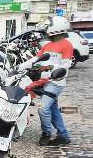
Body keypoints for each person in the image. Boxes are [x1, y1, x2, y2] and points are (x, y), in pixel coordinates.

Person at [20, 16, 72, 146]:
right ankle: (63, 135)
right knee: (52, 109)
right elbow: (35, 59)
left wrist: (50, 67)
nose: (45, 30)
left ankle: (46, 134)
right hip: (45, 82)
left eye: (47, 27)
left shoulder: (66, 44)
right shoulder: (47, 45)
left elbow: (66, 65)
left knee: (43, 109)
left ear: (56, 28)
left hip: (56, 82)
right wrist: (19, 67)